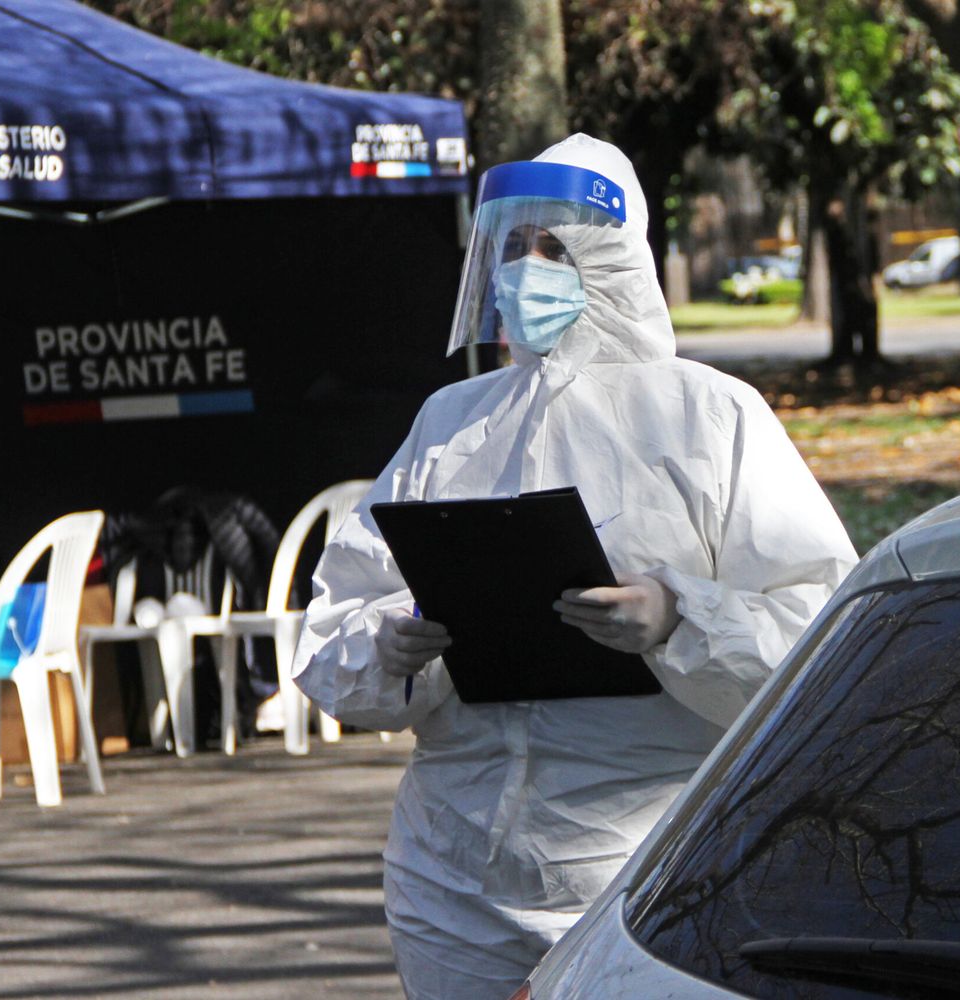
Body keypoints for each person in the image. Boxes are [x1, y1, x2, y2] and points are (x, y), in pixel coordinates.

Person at [292, 133, 857, 999]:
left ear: (616, 256)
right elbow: (339, 615)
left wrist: (680, 617)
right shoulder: (452, 421)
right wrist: (390, 643)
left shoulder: (705, 416)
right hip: (453, 879)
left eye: (553, 244)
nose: (526, 268)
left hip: (640, 871)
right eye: (511, 246)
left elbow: (824, 630)